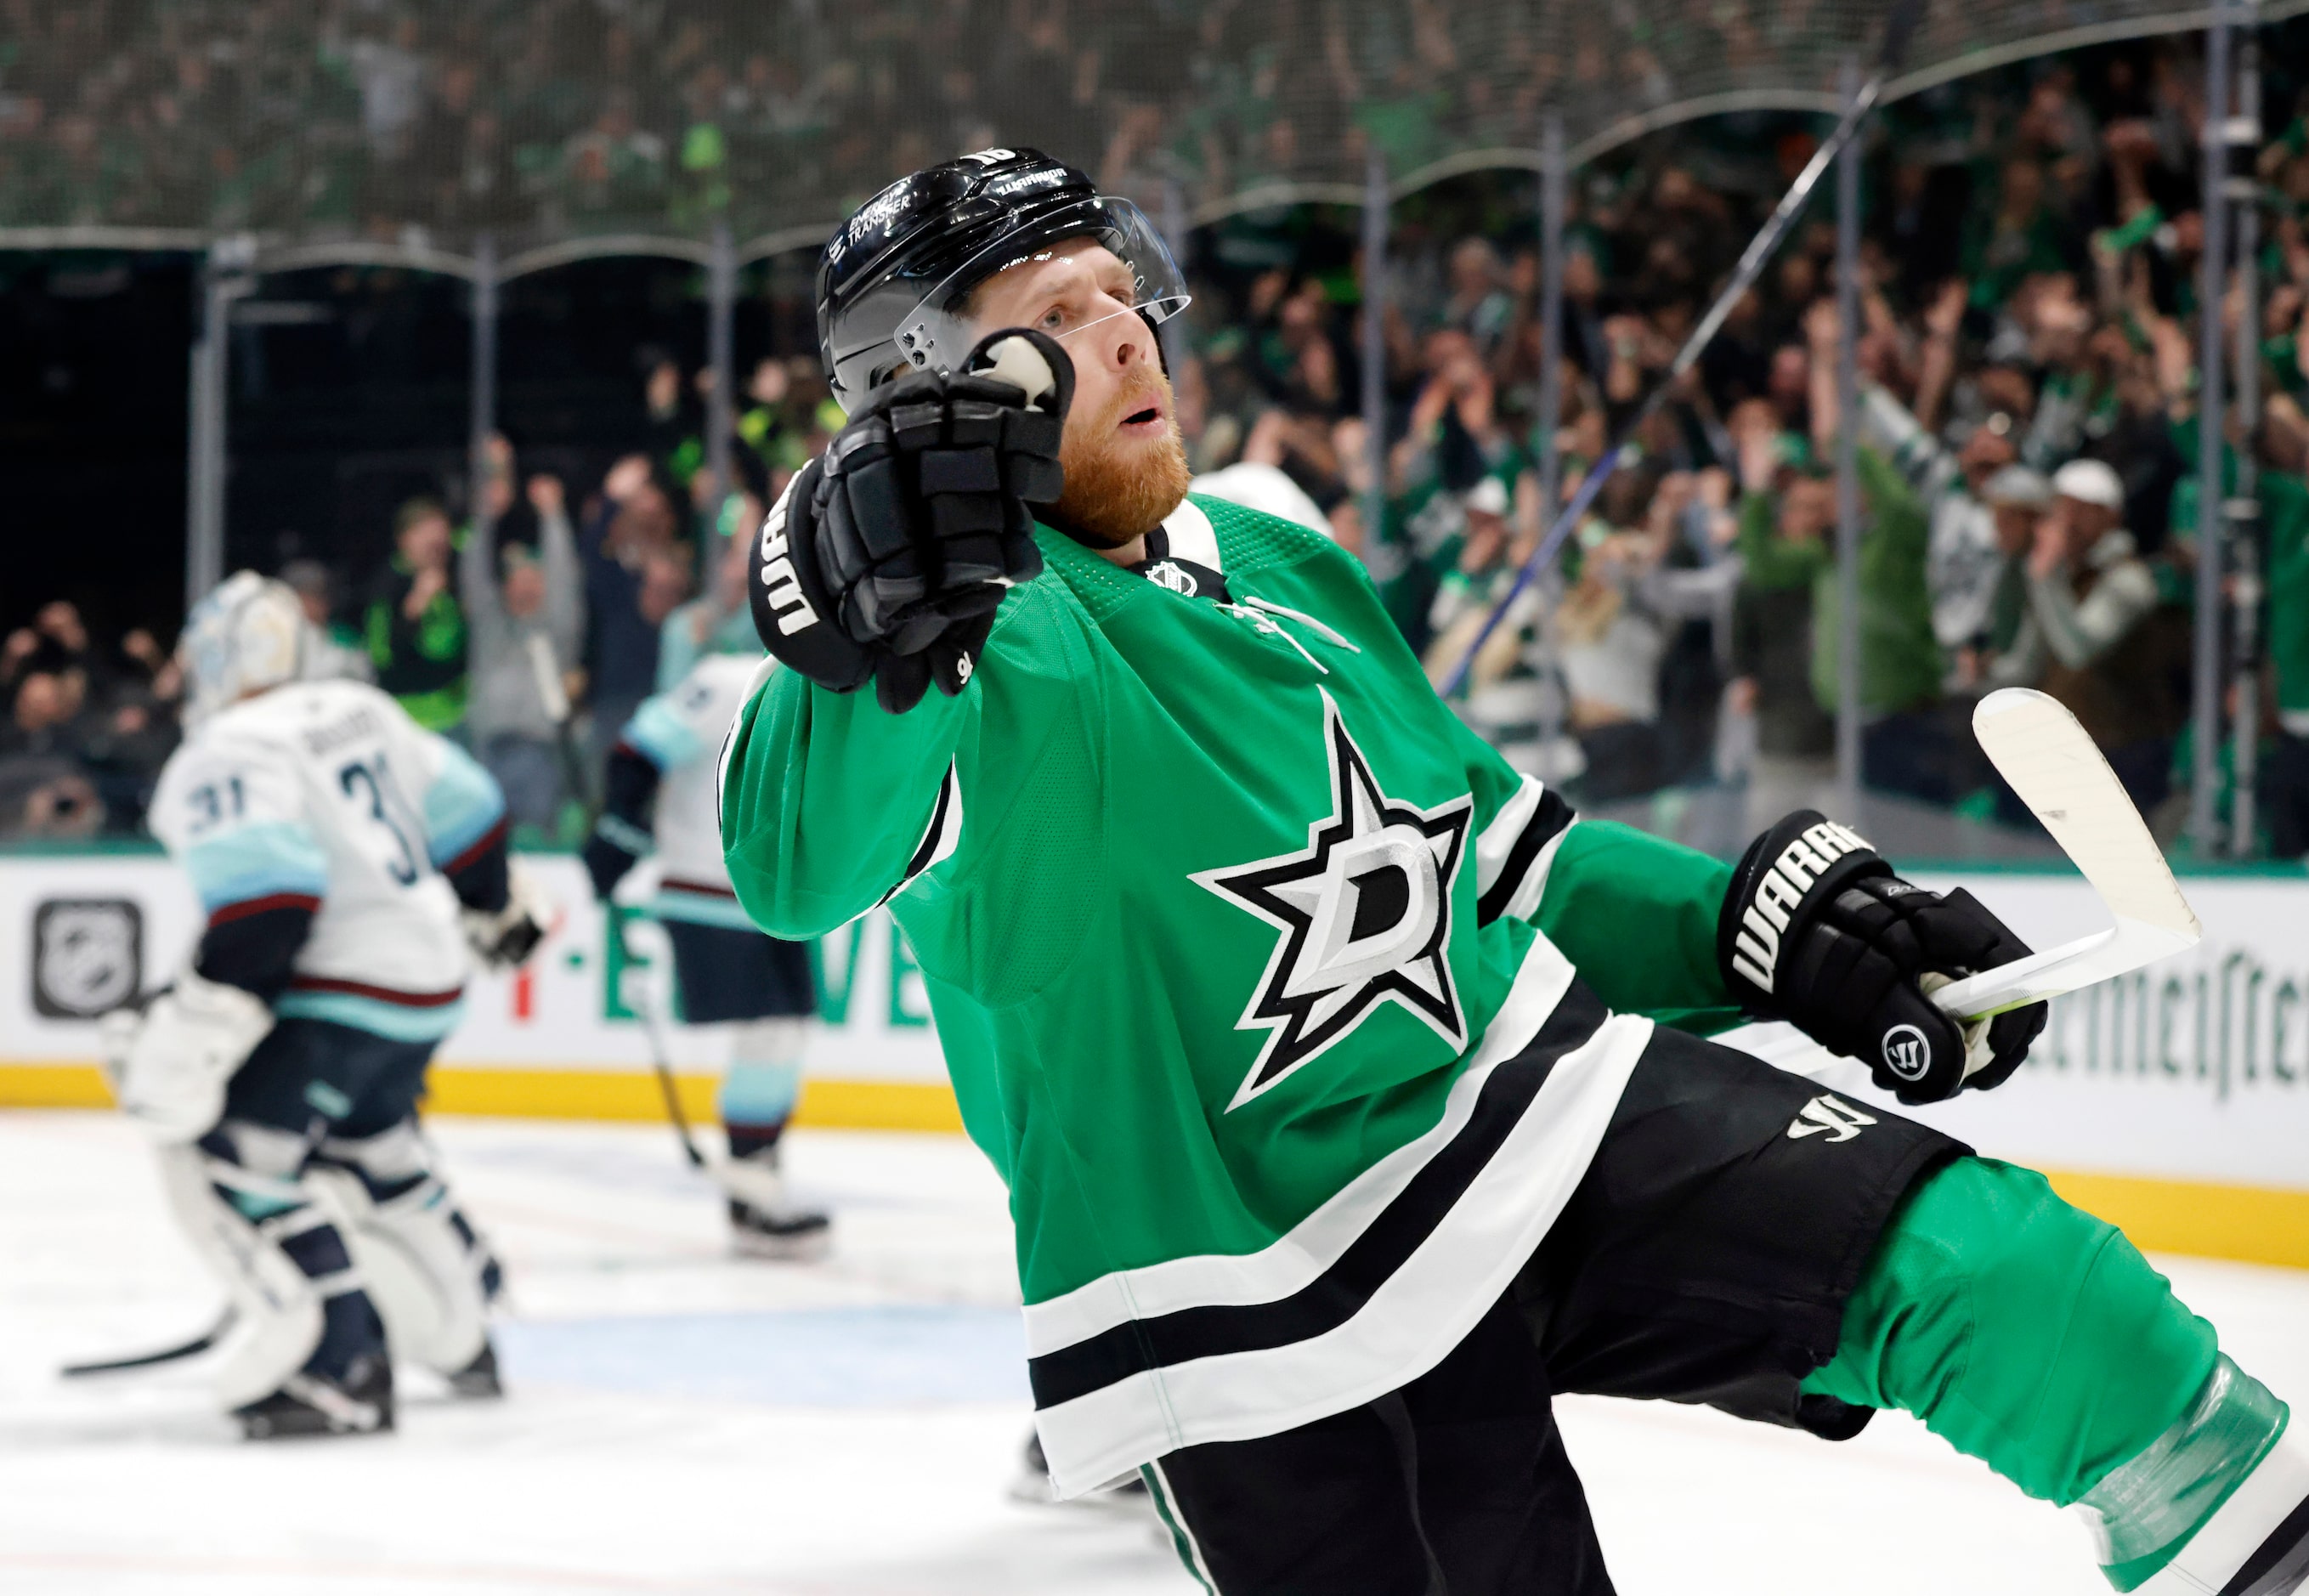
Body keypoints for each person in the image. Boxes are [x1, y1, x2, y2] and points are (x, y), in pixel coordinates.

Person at [722, 150, 2307, 1595]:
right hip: (1244, 1295)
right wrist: (860, 621)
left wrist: (1767, 931)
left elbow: (1500, 861)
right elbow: (793, 861)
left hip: (1528, 1104)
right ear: (927, 388)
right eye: (1056, 312)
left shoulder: (1279, 562)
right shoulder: (981, 648)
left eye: (1123, 293)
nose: (1129, 334)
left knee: (2020, 1281)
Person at [105, 574, 551, 1438]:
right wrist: (492, 908)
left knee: (237, 1162)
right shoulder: (356, 707)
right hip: (425, 983)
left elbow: (267, 911)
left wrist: (196, 1023)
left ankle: (333, 1363)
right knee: (374, 1148)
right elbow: (471, 814)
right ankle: (461, 1336)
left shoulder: (226, 747)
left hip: (342, 990)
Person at [580, 646, 830, 1255]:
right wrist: (619, 825)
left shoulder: (832, 681)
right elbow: (638, 751)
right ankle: (750, 1191)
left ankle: (756, 1178)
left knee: (787, 1028)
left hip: (778, 888)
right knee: (770, 1029)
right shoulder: (725, 678)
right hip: (708, 880)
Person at [1989, 458, 2172, 810]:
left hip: (2121, 759)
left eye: (2082, 511)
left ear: (2110, 518)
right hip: (2060, 755)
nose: (2067, 523)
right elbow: (2026, 665)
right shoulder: (2061, 581)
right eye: (2062, 510)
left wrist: (2045, 579)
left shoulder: (2128, 581)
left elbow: (2078, 650)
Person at [461, 471, 585, 835]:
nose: (529, 585)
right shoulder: (490, 627)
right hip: (486, 748)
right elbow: (473, 575)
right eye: (520, 577)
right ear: (508, 584)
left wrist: (552, 517)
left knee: (533, 843)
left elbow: (565, 579)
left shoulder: (557, 629)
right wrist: (483, 517)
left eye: (536, 577)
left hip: (539, 752)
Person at [365, 497, 469, 734]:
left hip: (459, 712)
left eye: (441, 541)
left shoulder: (453, 573)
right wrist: (413, 611)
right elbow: (382, 658)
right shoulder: (387, 587)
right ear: (405, 540)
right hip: (411, 718)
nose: (437, 547)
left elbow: (476, 534)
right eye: (427, 538)